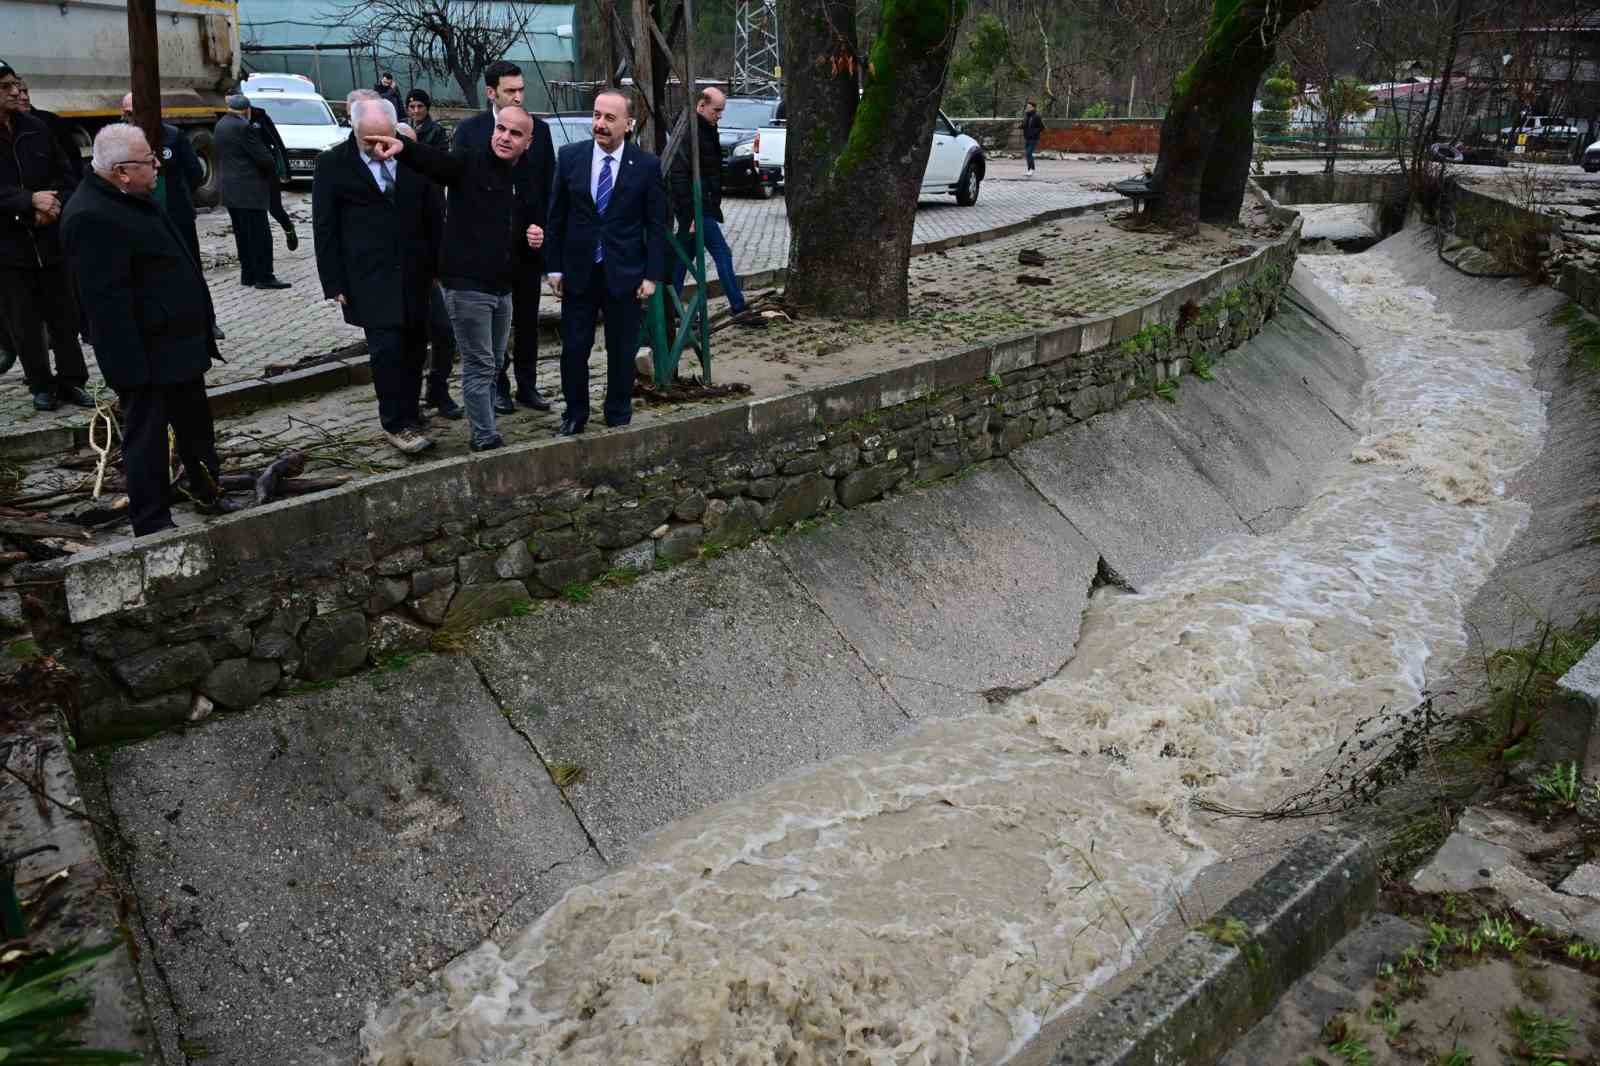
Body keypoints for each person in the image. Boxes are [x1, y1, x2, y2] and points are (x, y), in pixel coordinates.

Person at [61, 124, 241, 535]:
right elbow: (105, 307)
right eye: (148, 160)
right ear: (122, 171)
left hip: (179, 345)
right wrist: (129, 371)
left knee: (196, 429)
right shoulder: (91, 216)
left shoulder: (137, 197)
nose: (158, 164)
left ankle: (206, 490)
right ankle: (152, 519)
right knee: (148, 439)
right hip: (144, 355)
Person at [366, 106, 544, 452]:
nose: (505, 137)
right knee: (479, 364)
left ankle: (486, 422)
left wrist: (534, 235)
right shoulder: (469, 162)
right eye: (501, 129)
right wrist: (403, 147)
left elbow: (523, 224)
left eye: (515, 133)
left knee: (493, 363)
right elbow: (437, 163)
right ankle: (484, 436)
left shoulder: (523, 178)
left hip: (502, 288)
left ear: (528, 141)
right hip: (467, 286)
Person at [313, 98, 444, 456]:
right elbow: (324, 227)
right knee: (386, 351)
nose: (377, 147)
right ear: (354, 132)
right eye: (368, 141)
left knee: (415, 347)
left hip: (415, 273)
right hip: (368, 277)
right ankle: (394, 421)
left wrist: (437, 266)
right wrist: (334, 282)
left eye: (382, 139)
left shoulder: (412, 159)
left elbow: (433, 214)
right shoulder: (333, 165)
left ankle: (411, 409)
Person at [546, 89, 667, 435]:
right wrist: (554, 268)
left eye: (609, 118)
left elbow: (656, 226)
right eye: (597, 116)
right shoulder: (570, 158)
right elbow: (556, 217)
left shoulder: (645, 166)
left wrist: (652, 275)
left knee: (621, 349)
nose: (600, 124)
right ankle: (575, 413)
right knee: (573, 349)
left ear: (628, 124)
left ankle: (617, 412)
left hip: (625, 274)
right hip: (579, 273)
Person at [452, 60, 556, 414]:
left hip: (526, 248)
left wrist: (542, 229)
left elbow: (547, 187)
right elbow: (458, 192)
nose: (517, 97)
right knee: (490, 327)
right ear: (491, 92)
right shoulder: (470, 132)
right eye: (510, 91)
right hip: (483, 252)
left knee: (527, 319)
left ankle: (528, 385)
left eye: (521, 90)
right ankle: (497, 386)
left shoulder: (538, 131)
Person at [0, 63, 93, 412]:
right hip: (9, 249)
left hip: (50, 241)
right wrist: (27, 202)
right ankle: (40, 385)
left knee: (64, 317)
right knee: (24, 321)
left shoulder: (37, 128)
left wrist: (54, 204)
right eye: (5, 86)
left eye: (15, 85)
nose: (14, 91)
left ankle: (72, 381)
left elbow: (67, 176)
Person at [669, 87, 758, 329]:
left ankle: (672, 309)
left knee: (682, 260)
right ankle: (738, 308)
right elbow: (680, 175)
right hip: (698, 208)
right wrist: (690, 214)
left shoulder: (703, 128)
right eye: (716, 110)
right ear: (701, 105)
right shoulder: (690, 131)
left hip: (702, 206)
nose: (720, 115)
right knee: (722, 254)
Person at [214, 94, 290, 289]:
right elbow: (264, 159)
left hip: (230, 190)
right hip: (249, 190)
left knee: (243, 235)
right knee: (260, 235)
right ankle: (264, 276)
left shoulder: (221, 124)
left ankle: (247, 274)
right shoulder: (244, 127)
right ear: (247, 110)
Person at [242, 97, 298, 250]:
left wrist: (285, 170)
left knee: (274, 208)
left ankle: (288, 228)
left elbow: (277, 142)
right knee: (256, 210)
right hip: (248, 172)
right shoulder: (233, 122)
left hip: (268, 169)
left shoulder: (260, 118)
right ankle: (260, 244)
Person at [18, 80, 82, 180]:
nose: (25, 97)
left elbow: (73, 159)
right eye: (18, 93)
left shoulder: (50, 121)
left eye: (25, 91)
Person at [1022, 100, 1044, 176]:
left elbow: (1041, 127)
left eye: (1029, 107)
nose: (1027, 108)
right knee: (1027, 154)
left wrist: (1034, 133)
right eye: (1027, 106)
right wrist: (1022, 126)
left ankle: (1032, 169)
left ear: (1033, 108)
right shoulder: (1027, 115)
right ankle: (1029, 170)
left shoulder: (1036, 116)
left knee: (1028, 153)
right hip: (1027, 137)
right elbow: (1026, 125)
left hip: (1034, 138)